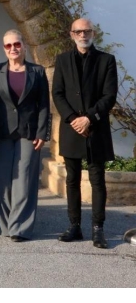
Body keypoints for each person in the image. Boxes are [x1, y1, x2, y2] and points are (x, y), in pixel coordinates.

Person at [52, 18, 118, 249]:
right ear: (71, 34)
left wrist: (89, 117)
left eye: (86, 31)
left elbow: (109, 95)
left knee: (97, 180)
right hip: (71, 129)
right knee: (72, 180)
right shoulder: (62, 60)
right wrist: (73, 119)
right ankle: (75, 226)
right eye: (78, 31)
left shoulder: (106, 60)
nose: (82, 35)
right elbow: (57, 93)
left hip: (95, 129)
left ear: (93, 33)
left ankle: (97, 229)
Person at [0, 29, 50, 242]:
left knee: (24, 179)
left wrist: (43, 132)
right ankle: (6, 225)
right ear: (4, 48)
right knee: (3, 180)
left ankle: (20, 228)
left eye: (17, 44)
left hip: (29, 133)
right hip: (1, 133)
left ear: (24, 46)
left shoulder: (37, 72)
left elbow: (43, 105)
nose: (13, 49)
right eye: (8, 45)